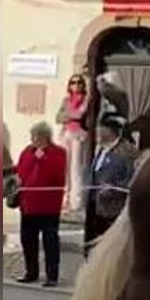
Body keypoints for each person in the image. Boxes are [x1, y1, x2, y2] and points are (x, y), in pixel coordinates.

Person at [15, 122, 67, 286]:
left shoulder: (58, 153)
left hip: (48, 206)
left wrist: (42, 159)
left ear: (44, 136)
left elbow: (57, 175)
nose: (32, 139)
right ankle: (31, 272)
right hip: (28, 204)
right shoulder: (26, 152)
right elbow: (20, 171)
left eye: (35, 136)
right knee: (28, 240)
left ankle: (52, 276)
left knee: (50, 241)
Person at [84, 113, 137, 257]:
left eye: (100, 129)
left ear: (110, 130)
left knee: (109, 249)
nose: (97, 132)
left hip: (113, 208)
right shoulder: (101, 148)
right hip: (95, 205)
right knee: (93, 246)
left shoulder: (127, 151)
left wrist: (115, 189)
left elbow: (133, 178)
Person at [56, 73, 89, 212]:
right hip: (65, 135)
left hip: (78, 136)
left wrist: (67, 115)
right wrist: (70, 115)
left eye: (79, 82)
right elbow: (58, 117)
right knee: (64, 168)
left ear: (82, 85)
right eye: (73, 82)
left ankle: (76, 201)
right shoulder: (66, 100)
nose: (76, 85)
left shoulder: (86, 99)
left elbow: (80, 115)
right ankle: (64, 200)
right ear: (69, 85)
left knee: (75, 169)